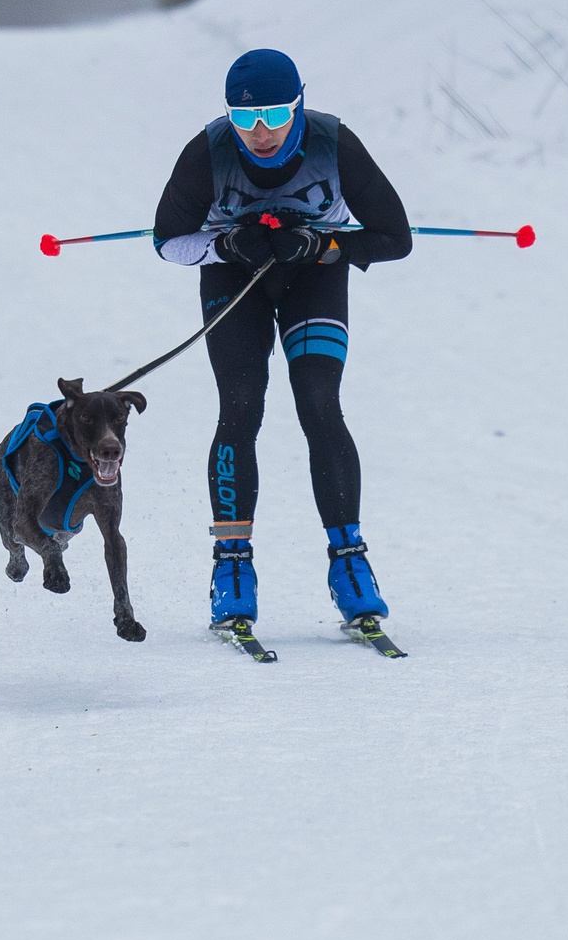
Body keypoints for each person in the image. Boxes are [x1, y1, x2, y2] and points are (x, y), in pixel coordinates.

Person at [151, 48, 412, 634]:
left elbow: (396, 236)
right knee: (241, 407)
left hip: (314, 274)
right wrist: (227, 245)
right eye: (245, 120)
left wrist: (323, 246)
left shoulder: (333, 143)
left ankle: (350, 563)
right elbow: (167, 240)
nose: (261, 133)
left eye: (274, 115)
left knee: (319, 401)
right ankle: (232, 566)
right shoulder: (207, 153)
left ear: (299, 105)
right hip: (234, 275)